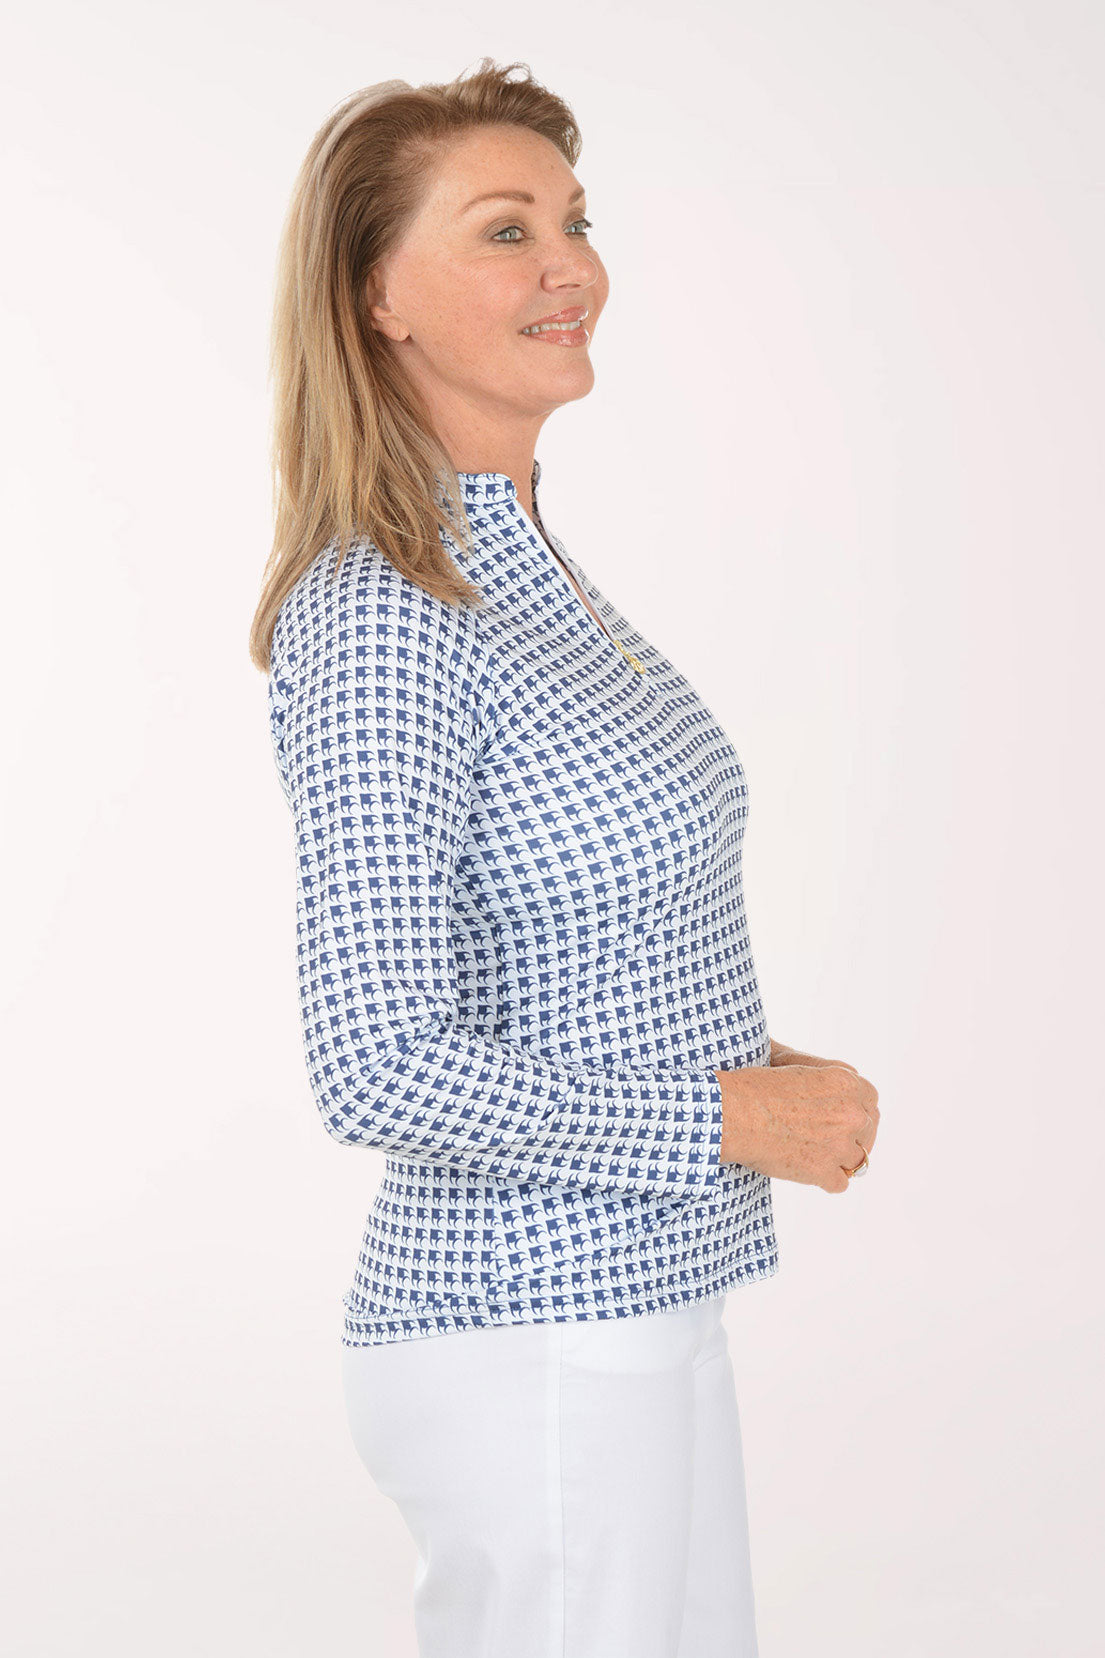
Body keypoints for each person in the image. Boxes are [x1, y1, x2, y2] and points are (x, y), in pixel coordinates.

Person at [250, 59, 879, 1658]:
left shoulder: (522, 571)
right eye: (504, 229)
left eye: (576, 222)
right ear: (374, 296)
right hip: (525, 1328)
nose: (569, 264)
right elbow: (377, 1063)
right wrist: (727, 1110)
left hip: (641, 1302)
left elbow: (569, 939)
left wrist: (755, 1060)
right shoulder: (384, 614)